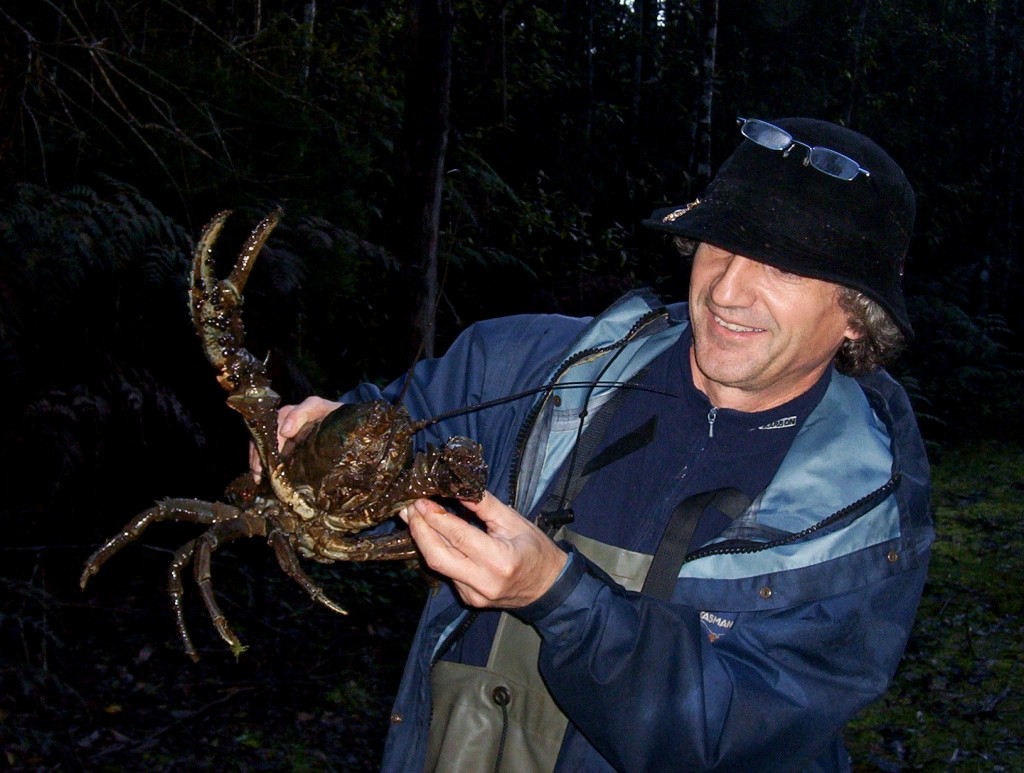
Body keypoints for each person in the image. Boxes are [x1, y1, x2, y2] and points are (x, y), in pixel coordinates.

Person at [266, 117, 934, 772]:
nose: (727, 290)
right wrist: (317, 440)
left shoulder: (866, 523)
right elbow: (380, 446)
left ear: (855, 315)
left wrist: (553, 593)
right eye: (719, 245)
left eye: (781, 267)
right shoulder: (526, 365)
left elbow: (729, 734)